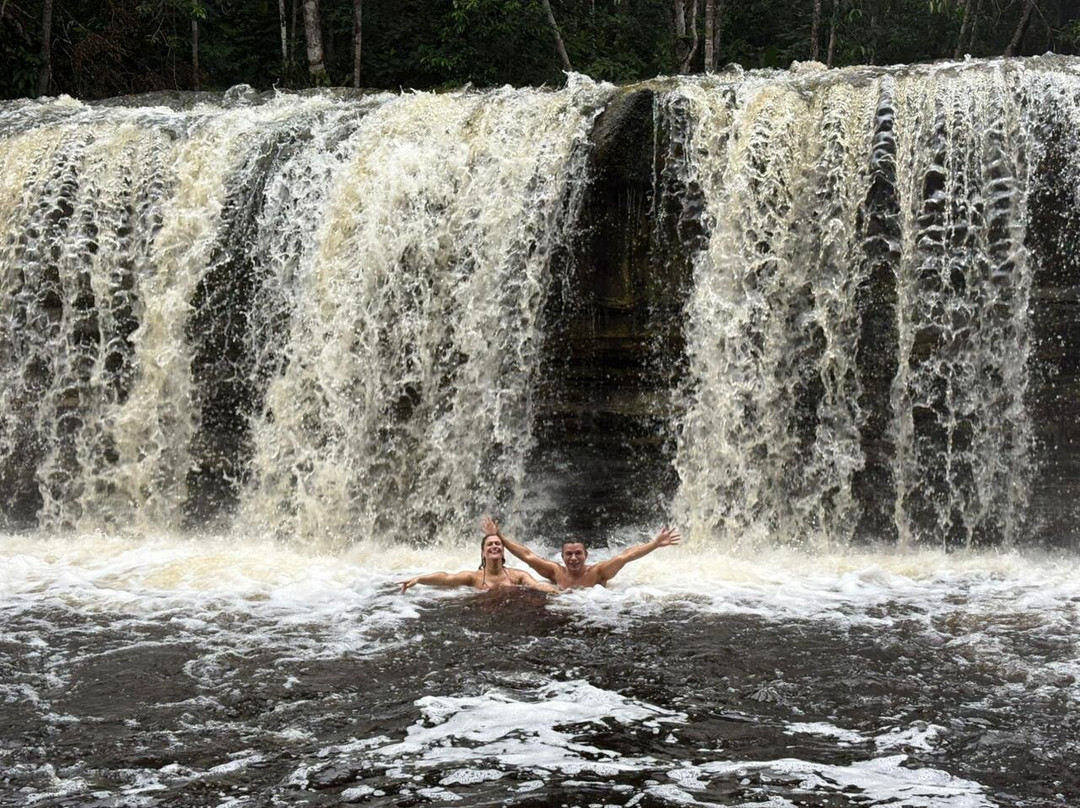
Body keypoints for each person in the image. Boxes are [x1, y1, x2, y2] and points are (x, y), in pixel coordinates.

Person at [482, 516, 681, 589]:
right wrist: (499, 536)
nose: (574, 558)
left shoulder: (598, 572)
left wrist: (655, 543)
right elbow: (527, 555)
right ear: (562, 557)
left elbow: (626, 556)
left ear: (586, 555)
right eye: (569, 554)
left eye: (578, 553)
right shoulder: (555, 572)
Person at [399, 531, 558, 594]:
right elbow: (447, 578)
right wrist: (419, 579)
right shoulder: (473, 577)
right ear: (483, 552)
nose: (494, 546)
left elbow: (536, 585)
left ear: (503, 551)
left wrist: (555, 592)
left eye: (498, 544)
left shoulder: (518, 576)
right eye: (490, 544)